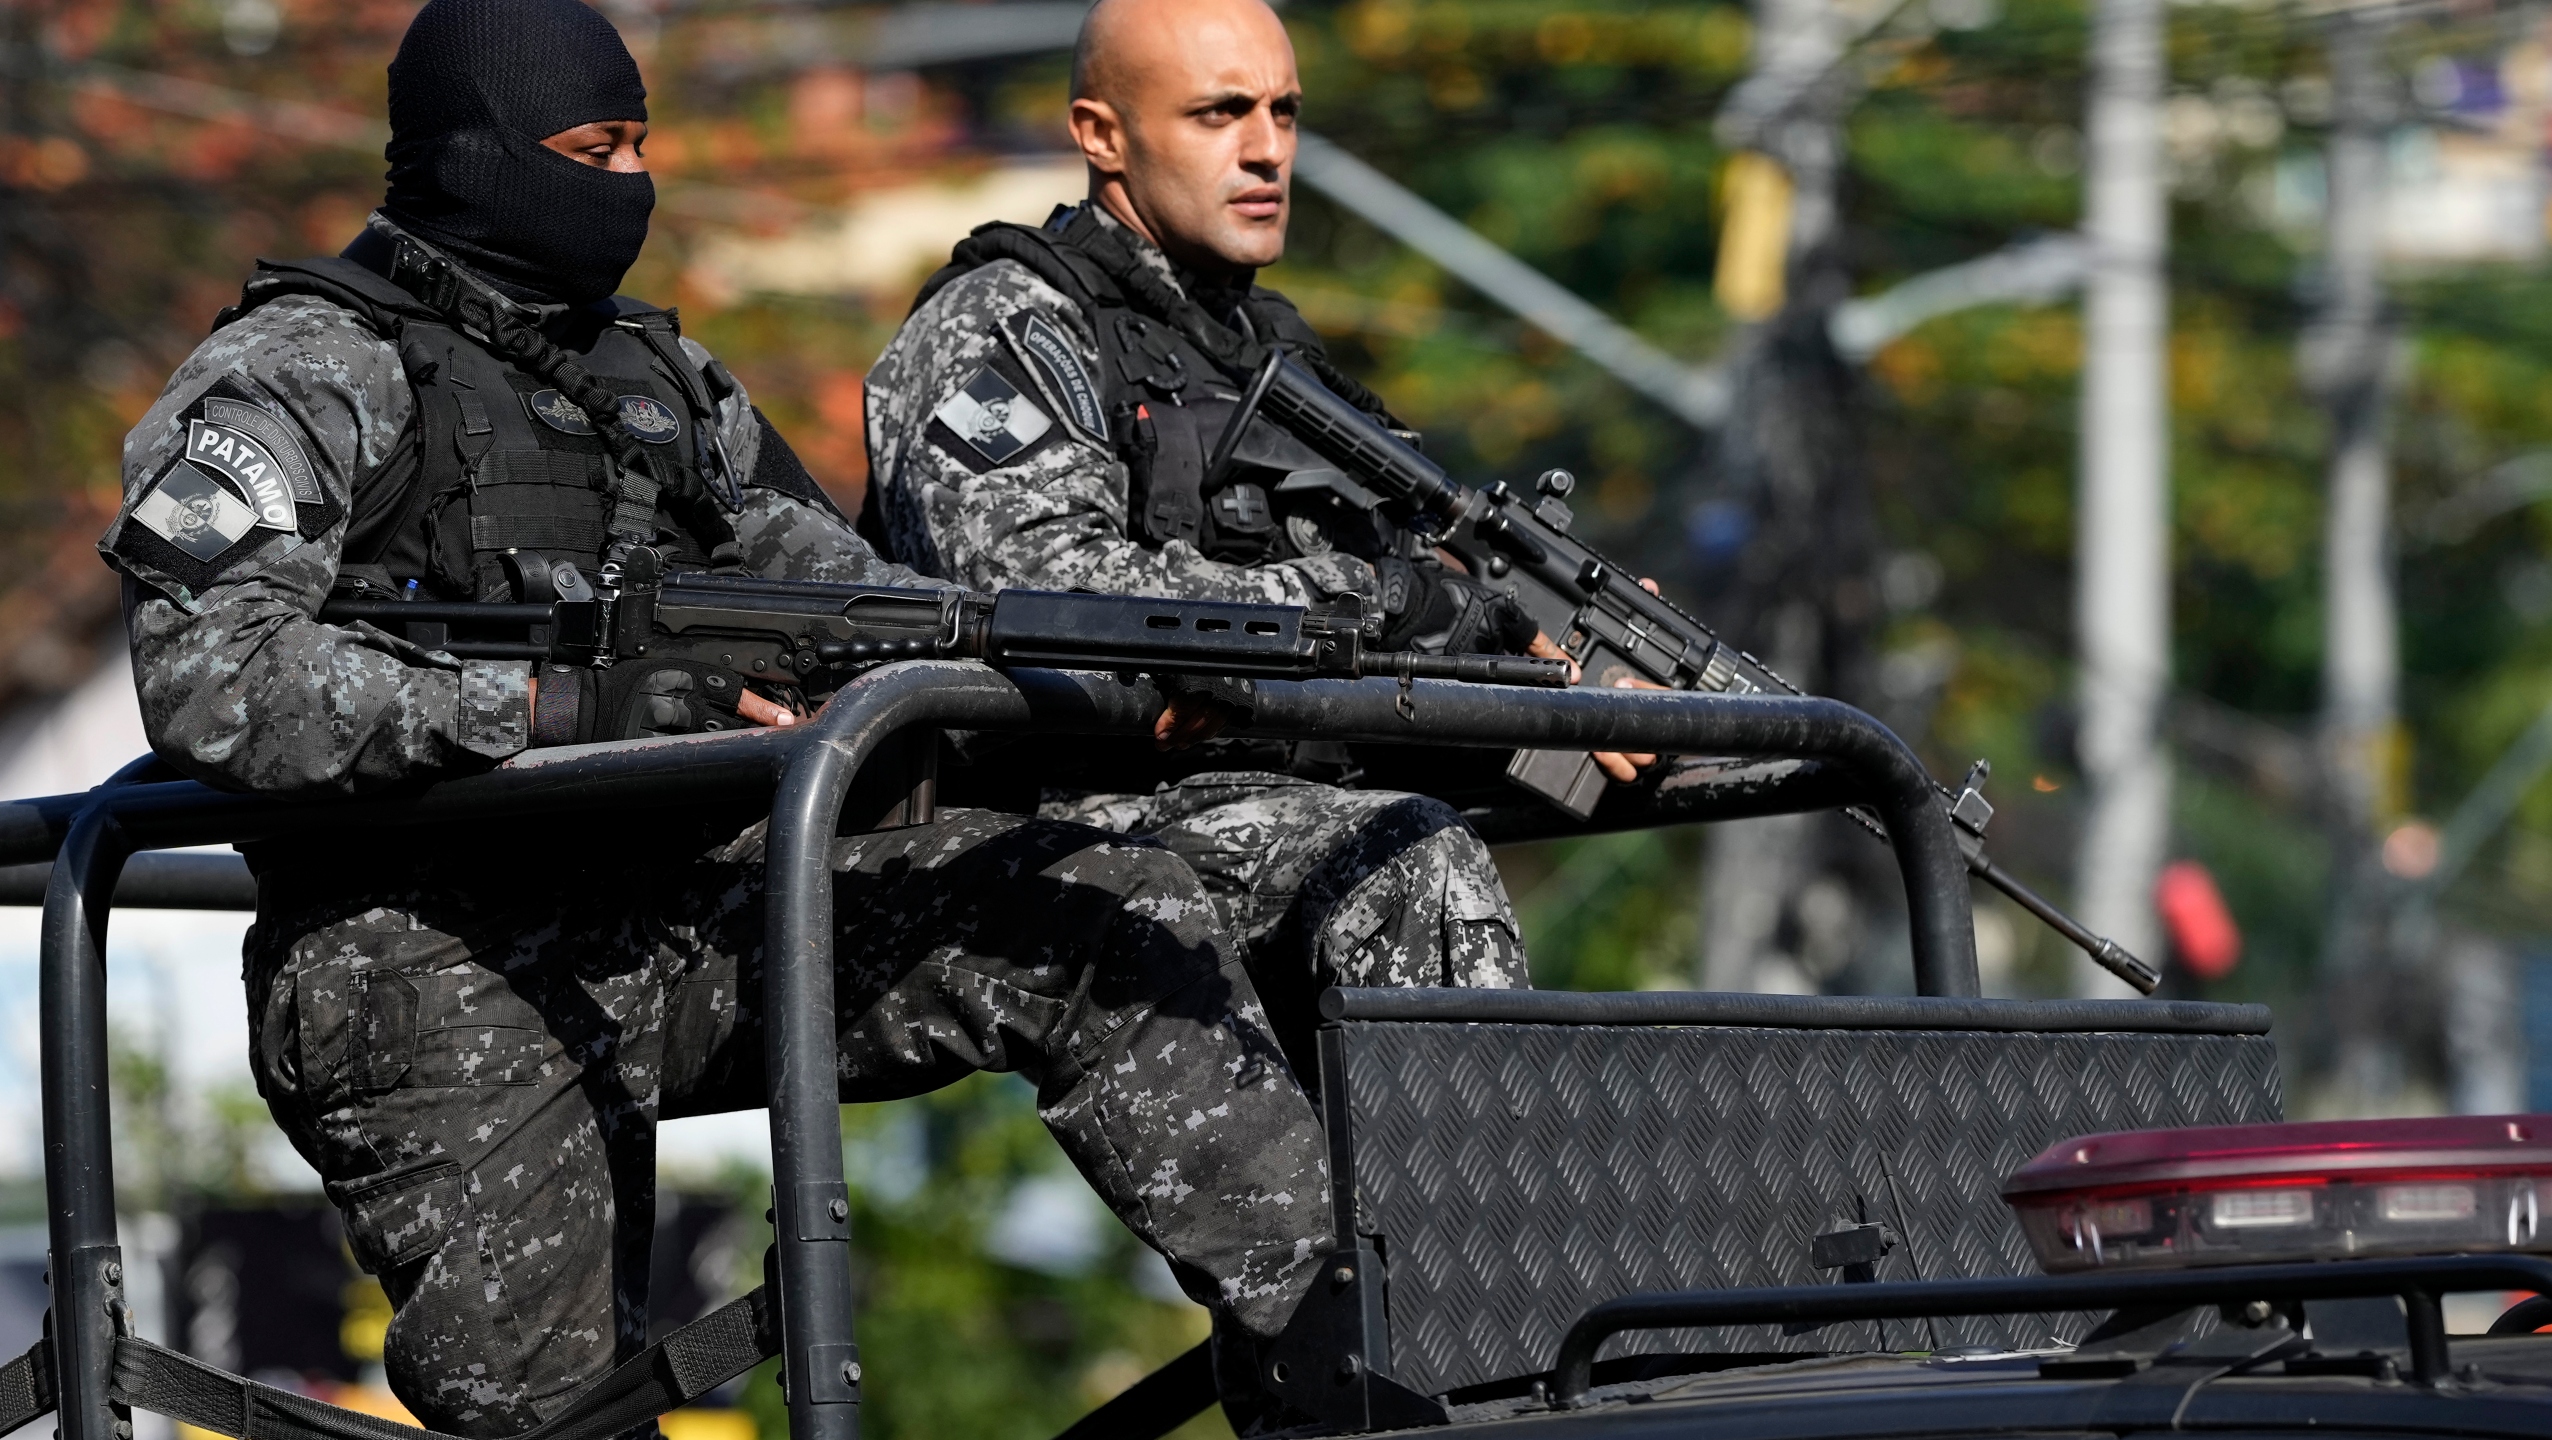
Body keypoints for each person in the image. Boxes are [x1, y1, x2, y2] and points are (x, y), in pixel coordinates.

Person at [96, 1, 1333, 1432]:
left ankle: (1349, 1372)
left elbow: (859, 600)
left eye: (640, 145)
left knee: (1105, 908)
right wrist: (568, 706)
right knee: (556, 1414)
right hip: (425, 954)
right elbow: (213, 675)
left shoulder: (658, 386)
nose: (630, 181)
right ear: (473, 154)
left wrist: (1097, 660)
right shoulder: (306, 368)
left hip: (681, 916)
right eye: (591, 150)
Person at [863, 0, 1551, 1056]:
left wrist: (1556, 665)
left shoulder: (1264, 348)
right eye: (1220, 113)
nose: (1268, 148)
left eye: (1285, 111)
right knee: (1408, 862)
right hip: (1045, 823)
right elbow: (1046, 602)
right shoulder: (1001, 326)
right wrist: (1375, 606)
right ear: (1101, 135)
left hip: (1264, 793)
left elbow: (1432, 577)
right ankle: (1460, 1176)